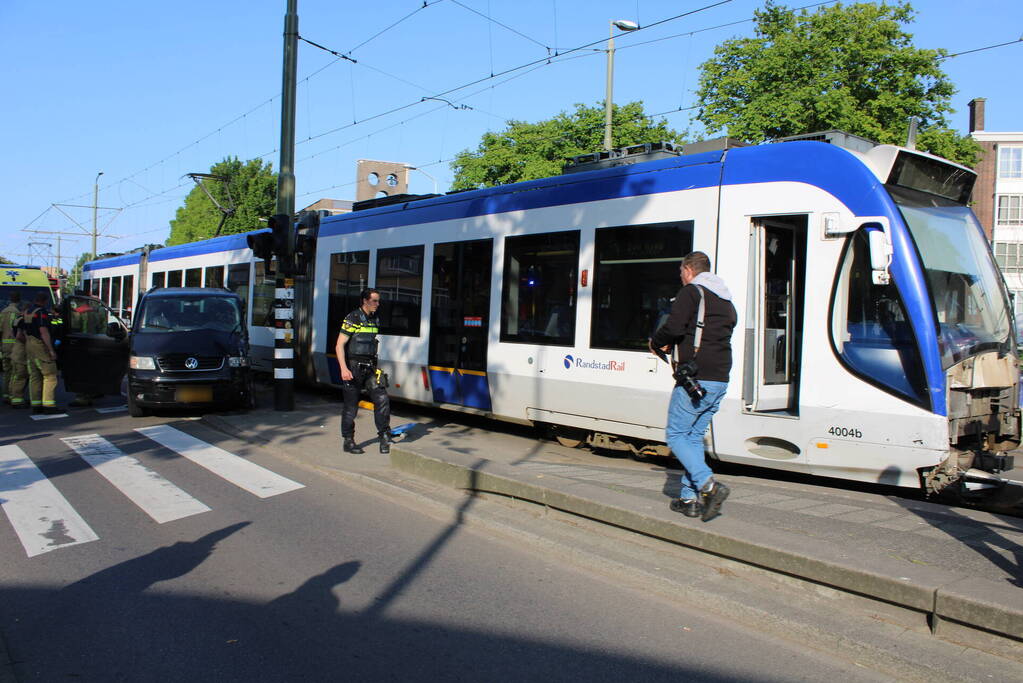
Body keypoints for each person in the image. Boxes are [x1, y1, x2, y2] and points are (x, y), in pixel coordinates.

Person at [649, 251, 737, 522]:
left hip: (696, 377)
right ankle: (690, 500)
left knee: (676, 435)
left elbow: (674, 327)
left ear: (688, 270)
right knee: (694, 437)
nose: (681, 277)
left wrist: (656, 341)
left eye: (681, 272)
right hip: (720, 378)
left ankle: (708, 485)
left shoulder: (691, 292)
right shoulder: (726, 300)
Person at [335, 288, 392, 454]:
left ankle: (384, 436)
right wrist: (343, 369)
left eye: (378, 301)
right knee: (351, 407)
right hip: (353, 367)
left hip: (370, 367)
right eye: (374, 301)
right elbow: (339, 345)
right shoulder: (353, 318)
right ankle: (348, 441)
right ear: (365, 301)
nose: (377, 304)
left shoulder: (375, 319)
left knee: (382, 399)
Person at [23, 291, 61, 414]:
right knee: (50, 376)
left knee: (35, 376)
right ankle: (49, 405)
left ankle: (36, 404)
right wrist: (51, 350)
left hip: (29, 345)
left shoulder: (28, 311)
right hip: (40, 345)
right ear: (45, 301)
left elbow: (23, 332)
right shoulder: (41, 312)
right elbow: (43, 331)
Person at [1, 292, 22, 404]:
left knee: (6, 371)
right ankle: (12, 394)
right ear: (19, 300)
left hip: (4, 345)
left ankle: (5, 394)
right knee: (16, 372)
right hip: (15, 345)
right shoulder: (18, 313)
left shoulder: (3, 312)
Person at [8, 301, 29, 408]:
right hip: (21, 352)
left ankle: (12, 396)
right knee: (21, 376)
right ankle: (17, 400)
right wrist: (29, 342)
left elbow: (12, 333)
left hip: (16, 351)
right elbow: (19, 336)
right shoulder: (23, 320)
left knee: (15, 375)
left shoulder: (16, 319)